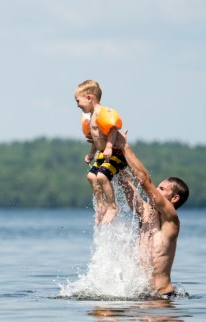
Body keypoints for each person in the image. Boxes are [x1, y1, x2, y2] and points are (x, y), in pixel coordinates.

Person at [118, 142, 189, 298]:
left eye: (162, 189)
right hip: (143, 297)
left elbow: (144, 181)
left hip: (162, 299)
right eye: (157, 187)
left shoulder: (171, 220)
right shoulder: (146, 214)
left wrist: (123, 146)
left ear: (174, 198)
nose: (156, 190)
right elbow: (126, 186)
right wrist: (115, 159)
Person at [75, 80, 128, 224]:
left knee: (102, 177)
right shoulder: (91, 116)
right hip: (102, 154)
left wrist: (110, 146)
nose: (77, 104)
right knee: (91, 177)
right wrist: (91, 153)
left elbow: (112, 130)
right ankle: (101, 205)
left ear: (89, 98)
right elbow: (95, 138)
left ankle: (112, 206)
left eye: (78, 100)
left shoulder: (101, 114)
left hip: (114, 153)